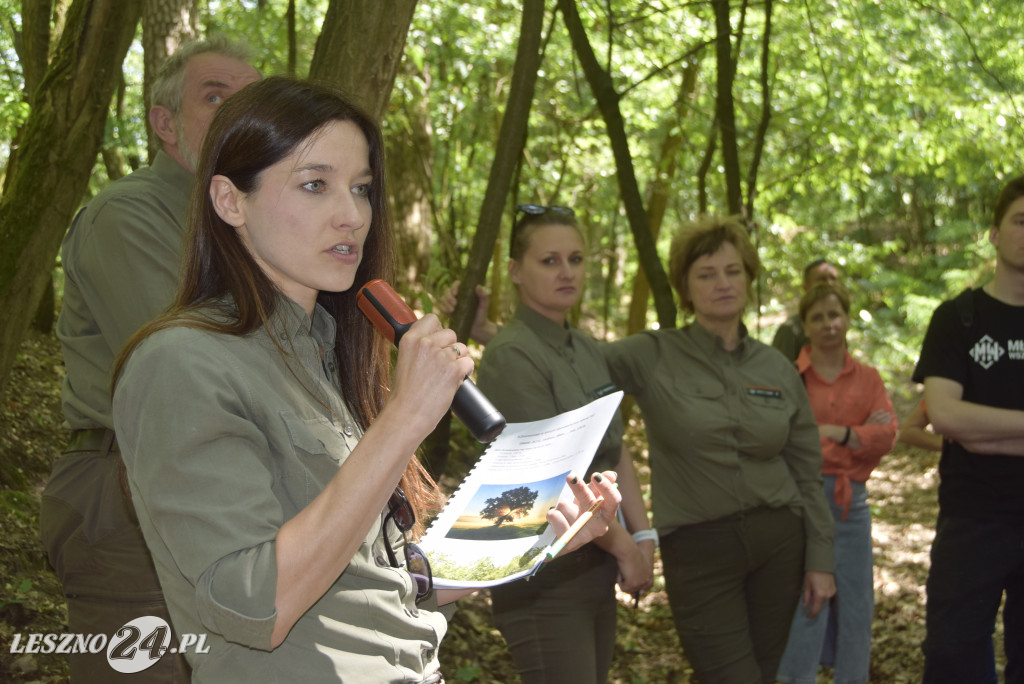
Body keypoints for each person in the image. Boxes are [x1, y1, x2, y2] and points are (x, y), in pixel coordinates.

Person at [109, 76, 621, 683]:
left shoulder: (328, 358)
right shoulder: (182, 362)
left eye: (361, 189)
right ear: (229, 201)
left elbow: (383, 586)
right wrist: (405, 418)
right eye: (314, 185)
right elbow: (255, 606)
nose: (351, 215)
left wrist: (530, 539)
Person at [40, 36, 260, 682]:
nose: (234, 117)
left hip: (228, 505)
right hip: (129, 505)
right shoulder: (127, 216)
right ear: (165, 124)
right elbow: (192, 373)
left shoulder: (254, 230)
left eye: (249, 103)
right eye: (214, 97)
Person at [598, 216, 836, 684]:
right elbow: (572, 362)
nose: (722, 283)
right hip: (699, 550)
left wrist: (821, 561)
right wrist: (485, 332)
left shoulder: (778, 368)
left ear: (749, 276)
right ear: (686, 287)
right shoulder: (653, 354)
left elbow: (808, 472)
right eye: (706, 274)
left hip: (780, 545)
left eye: (732, 271)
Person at [474, 204, 655, 683]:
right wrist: (626, 552)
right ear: (515, 271)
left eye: (575, 259)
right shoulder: (511, 355)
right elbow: (550, 481)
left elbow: (613, 449)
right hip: (544, 574)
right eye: (549, 261)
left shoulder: (586, 348)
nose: (566, 272)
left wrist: (644, 535)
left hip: (595, 567)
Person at [913, 175, 1024, 684]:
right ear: (996, 234)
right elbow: (945, 415)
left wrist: (984, 434)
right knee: (954, 658)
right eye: (1020, 221)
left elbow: (967, 423)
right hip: (972, 519)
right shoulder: (958, 318)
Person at [776, 283, 898, 684]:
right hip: (802, 501)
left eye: (834, 315)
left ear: (846, 319)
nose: (828, 324)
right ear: (805, 326)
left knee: (858, 607)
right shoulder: (791, 378)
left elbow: (888, 437)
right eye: (817, 317)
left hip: (851, 502)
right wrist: (858, 433)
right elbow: (784, 442)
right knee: (806, 603)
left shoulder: (868, 378)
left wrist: (833, 432)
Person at [772, 258, 840, 362]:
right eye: (821, 279)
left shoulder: (838, 325)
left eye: (833, 279)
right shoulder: (790, 330)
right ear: (805, 287)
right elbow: (778, 372)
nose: (829, 284)